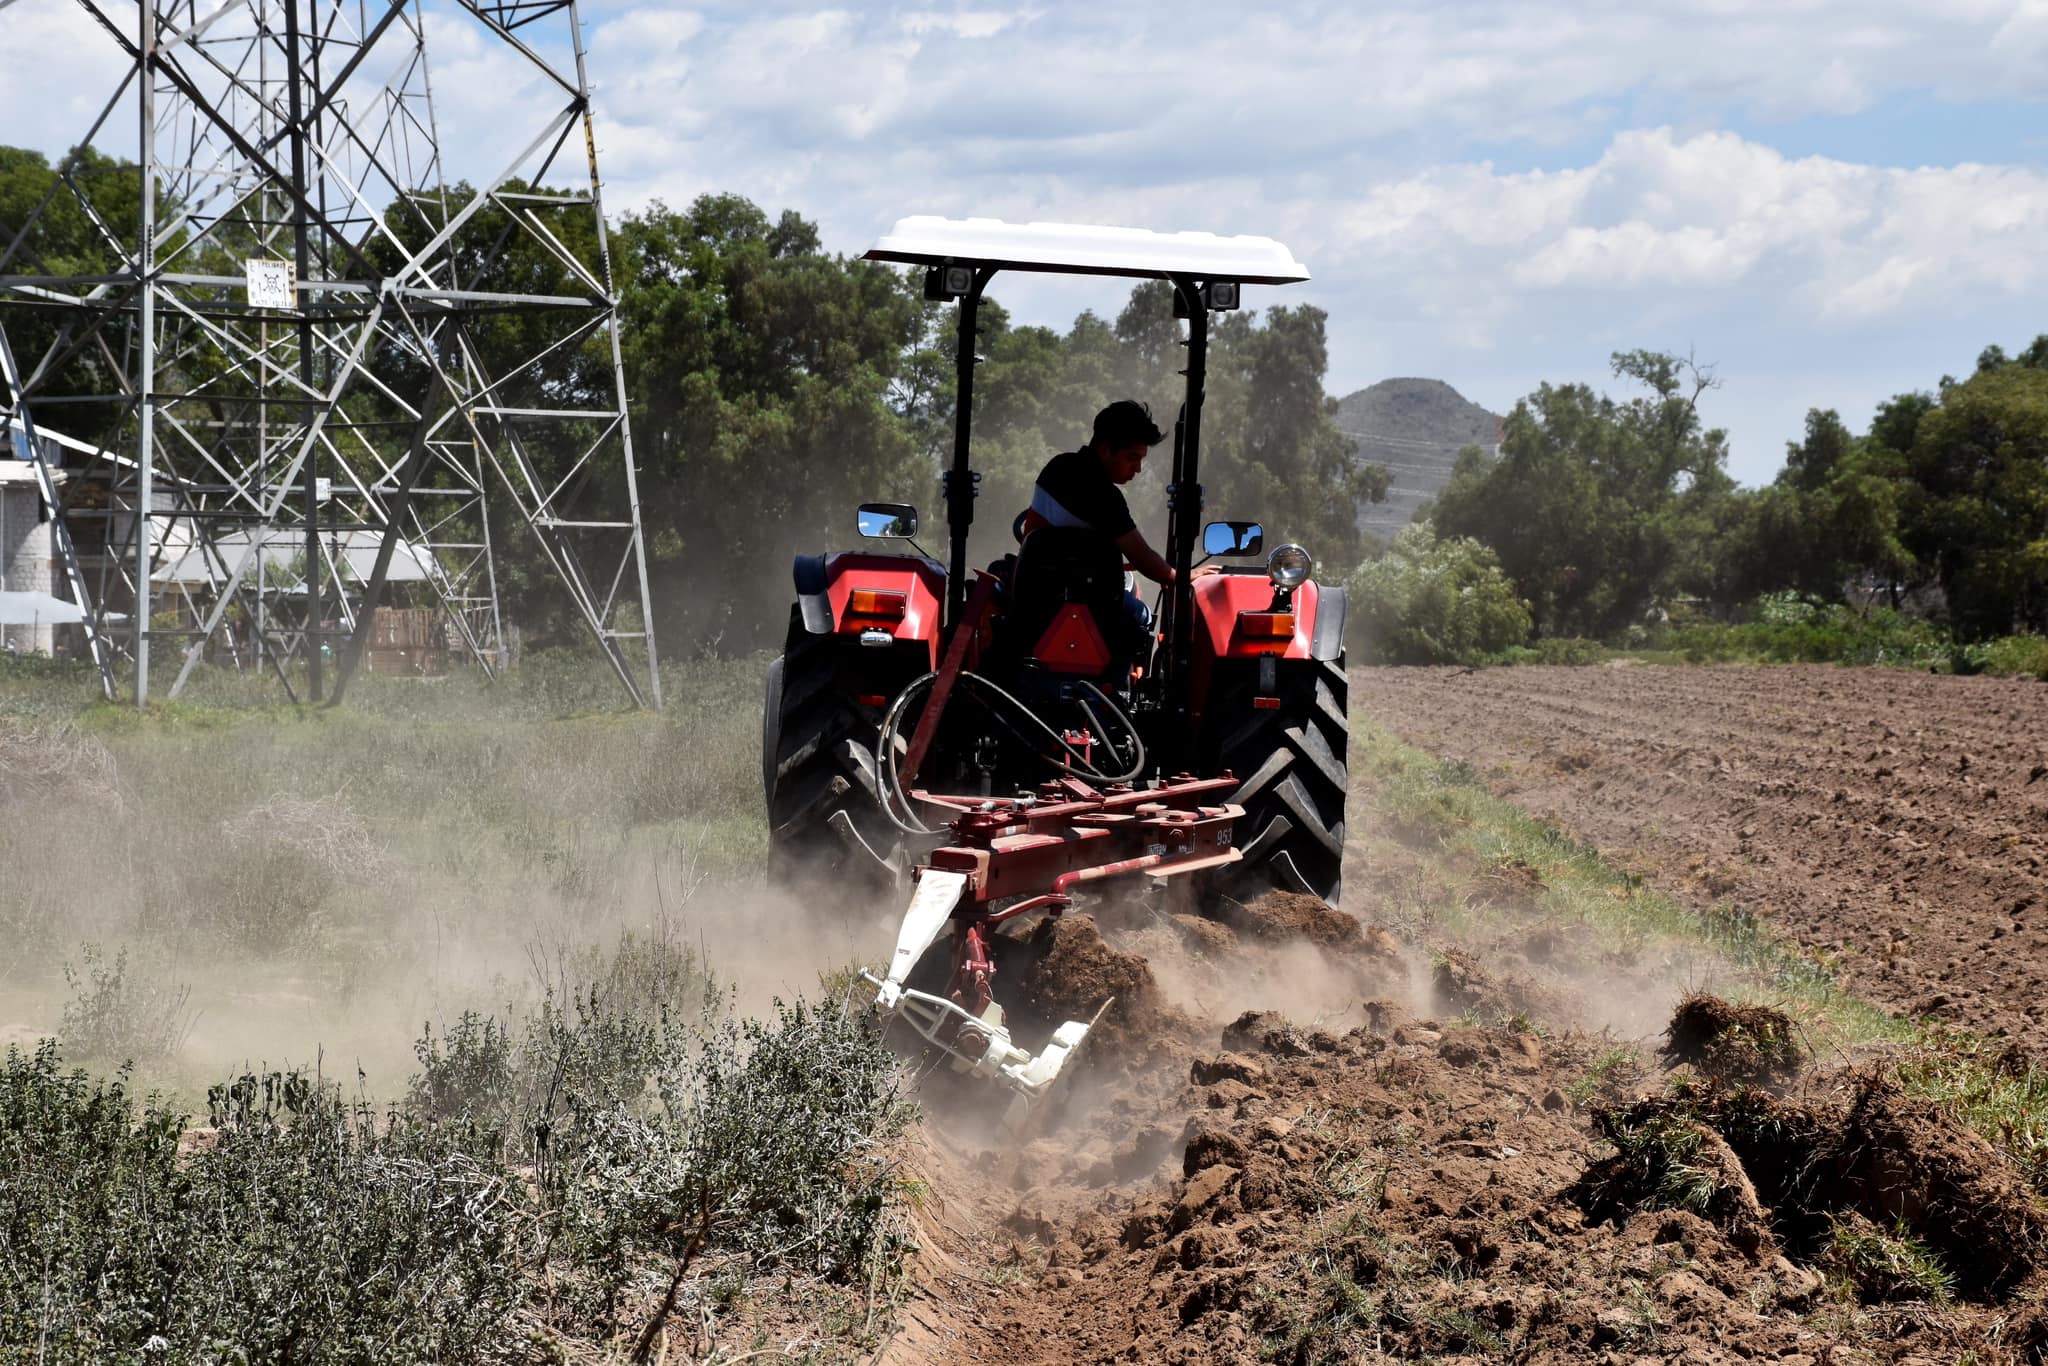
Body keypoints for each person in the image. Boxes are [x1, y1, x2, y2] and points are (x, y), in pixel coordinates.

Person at [1022, 399, 1214, 633]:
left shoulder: (1056, 467)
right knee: (1140, 615)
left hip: (1029, 596)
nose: (1138, 469)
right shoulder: (1102, 494)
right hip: (1078, 604)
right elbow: (1142, 556)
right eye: (1132, 459)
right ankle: (1119, 671)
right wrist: (1180, 576)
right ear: (1105, 449)